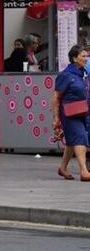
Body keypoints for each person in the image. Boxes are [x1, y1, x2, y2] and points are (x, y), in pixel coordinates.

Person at [53, 45, 90, 181]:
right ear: (74, 58)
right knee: (80, 137)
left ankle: (63, 167)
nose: (86, 59)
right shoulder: (65, 75)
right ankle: (84, 171)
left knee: (71, 141)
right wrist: (56, 118)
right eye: (83, 56)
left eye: (86, 56)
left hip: (83, 112)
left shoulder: (84, 73)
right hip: (69, 114)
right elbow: (56, 97)